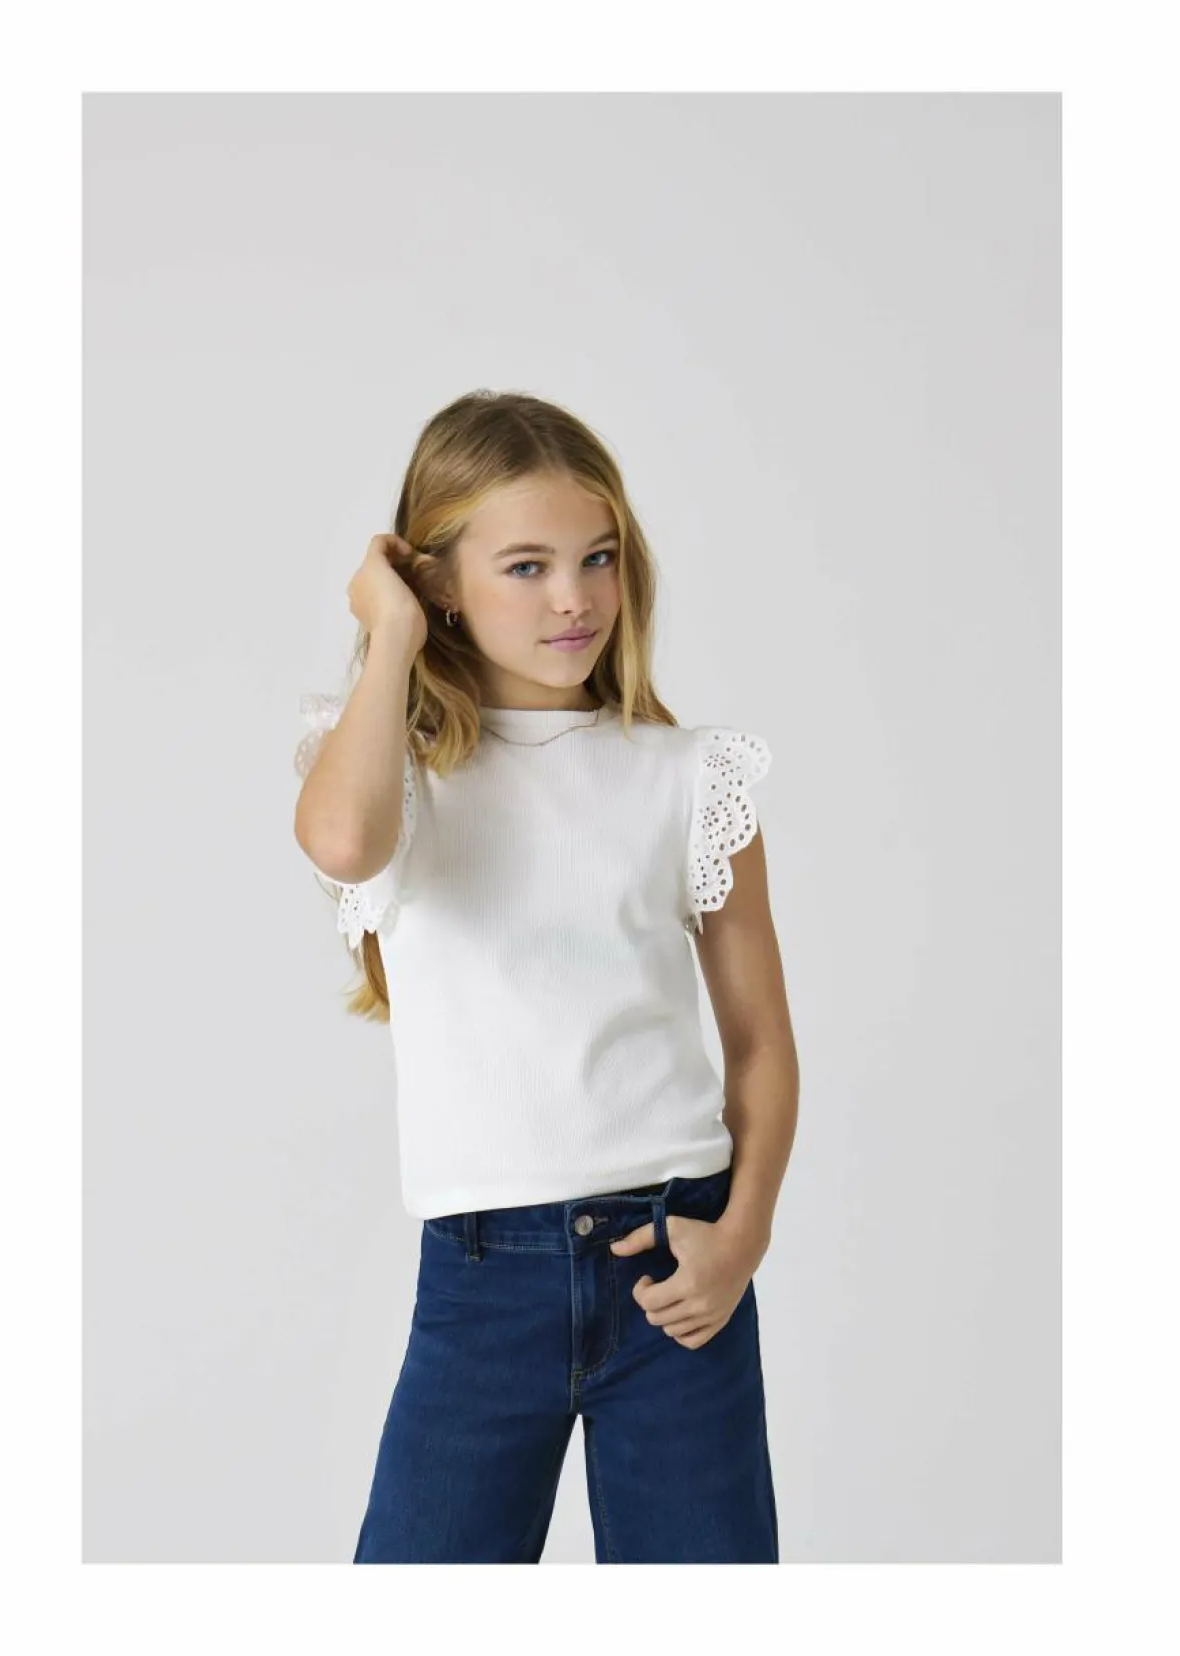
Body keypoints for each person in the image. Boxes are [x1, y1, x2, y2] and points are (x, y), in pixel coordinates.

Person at [293, 390, 800, 1564]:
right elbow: (344, 844)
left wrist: (742, 1238)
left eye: (596, 558)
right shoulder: (392, 771)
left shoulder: (686, 777)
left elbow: (760, 1041)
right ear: (437, 583)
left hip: (676, 1263)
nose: (573, 597)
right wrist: (389, 635)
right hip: (481, 1286)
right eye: (525, 566)